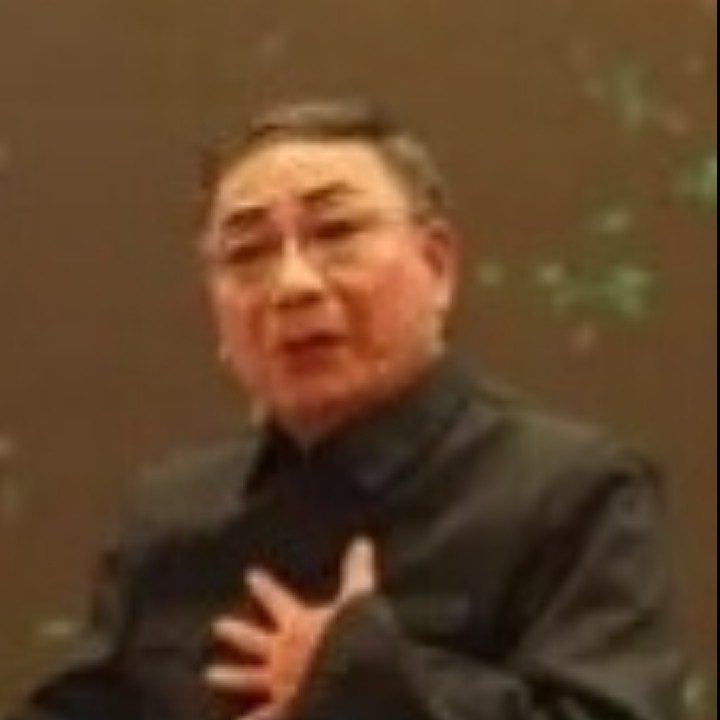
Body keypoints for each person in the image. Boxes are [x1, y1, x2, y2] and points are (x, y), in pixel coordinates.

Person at [7, 98, 684, 720]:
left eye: (335, 232)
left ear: (438, 265)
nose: (292, 285)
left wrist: (366, 682)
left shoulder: (573, 492)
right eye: (247, 252)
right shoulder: (170, 514)